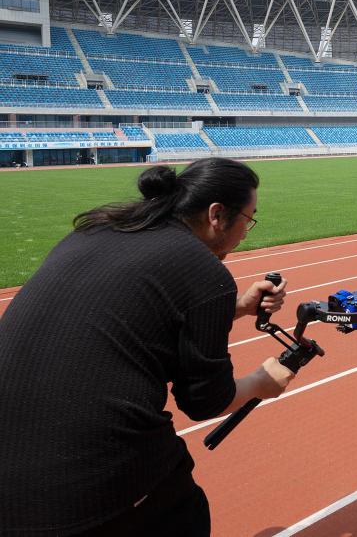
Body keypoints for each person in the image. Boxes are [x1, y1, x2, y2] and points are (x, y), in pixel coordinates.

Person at [0, 159, 292, 536]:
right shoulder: (204, 272)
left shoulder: (96, 230)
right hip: (79, 487)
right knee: (184, 511)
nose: (245, 234)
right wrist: (260, 382)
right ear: (217, 215)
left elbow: (128, 312)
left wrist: (233, 309)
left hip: (11, 468)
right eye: (248, 219)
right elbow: (206, 402)